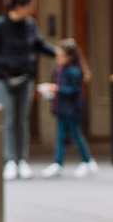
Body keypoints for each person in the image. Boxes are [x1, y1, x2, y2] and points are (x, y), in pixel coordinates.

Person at [0, 0, 57, 180]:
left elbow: (40, 44)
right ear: (20, 6)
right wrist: (4, 62)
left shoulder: (30, 25)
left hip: (25, 77)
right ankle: (9, 160)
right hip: (1, 78)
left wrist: (60, 54)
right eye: (31, 6)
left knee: (22, 120)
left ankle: (22, 159)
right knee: (8, 118)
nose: (34, 10)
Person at [40, 39, 94, 177]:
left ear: (70, 57)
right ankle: (58, 163)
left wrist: (57, 89)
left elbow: (74, 91)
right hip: (61, 108)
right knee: (60, 137)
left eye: (61, 55)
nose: (57, 58)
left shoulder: (74, 71)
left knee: (76, 135)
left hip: (72, 109)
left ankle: (87, 161)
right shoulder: (59, 69)